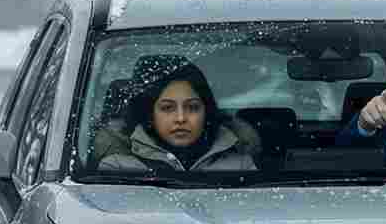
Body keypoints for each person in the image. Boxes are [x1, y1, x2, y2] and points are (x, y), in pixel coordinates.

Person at [93, 56, 261, 174]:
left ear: (206, 112)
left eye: (192, 107)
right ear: (150, 114)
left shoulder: (240, 165)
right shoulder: (119, 167)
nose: (181, 118)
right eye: (167, 108)